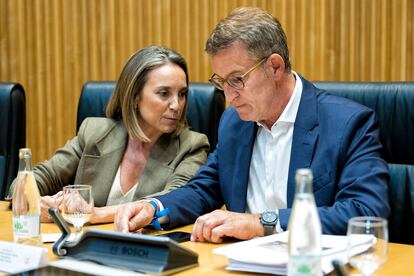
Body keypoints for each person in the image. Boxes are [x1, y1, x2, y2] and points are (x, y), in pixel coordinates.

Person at [114, 7, 390, 242]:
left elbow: (365, 211)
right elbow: (204, 188)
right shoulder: (235, 121)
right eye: (221, 81)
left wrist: (261, 223)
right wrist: (153, 206)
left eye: (237, 79)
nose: (229, 95)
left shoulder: (348, 123)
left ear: (275, 67)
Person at [31, 46, 210, 223]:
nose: (176, 105)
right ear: (134, 96)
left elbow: (173, 201)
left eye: (182, 94)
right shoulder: (94, 132)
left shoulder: (192, 145)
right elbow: (34, 180)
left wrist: (94, 213)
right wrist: (40, 202)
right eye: (164, 94)